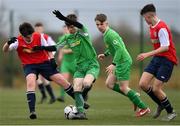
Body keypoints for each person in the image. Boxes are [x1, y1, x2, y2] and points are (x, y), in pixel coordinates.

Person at [35, 11, 100, 119]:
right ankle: (81, 113)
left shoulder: (83, 32)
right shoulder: (67, 38)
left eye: (72, 26)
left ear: (75, 25)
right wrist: (42, 48)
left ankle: (84, 95)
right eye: (68, 27)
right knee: (76, 88)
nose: (70, 29)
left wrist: (63, 18)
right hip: (79, 67)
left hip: (91, 65)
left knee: (86, 84)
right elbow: (55, 47)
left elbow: (79, 25)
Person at [2, 22, 74, 120]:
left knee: (62, 81)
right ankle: (32, 112)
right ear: (22, 36)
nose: (30, 38)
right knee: (31, 82)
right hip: (29, 66)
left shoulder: (39, 36)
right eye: (27, 37)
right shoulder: (17, 41)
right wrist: (8, 43)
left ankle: (81, 102)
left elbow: (48, 49)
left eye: (31, 35)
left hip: (44, 63)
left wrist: (52, 59)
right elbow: (5, 50)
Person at [95, 13, 150, 117]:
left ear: (106, 23)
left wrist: (113, 63)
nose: (99, 26)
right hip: (119, 61)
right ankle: (133, 96)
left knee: (124, 87)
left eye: (101, 24)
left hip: (123, 61)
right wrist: (105, 54)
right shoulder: (106, 34)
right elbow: (114, 48)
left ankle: (144, 108)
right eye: (97, 24)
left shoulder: (111, 34)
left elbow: (119, 49)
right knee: (109, 84)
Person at [137, 4, 177, 121]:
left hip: (167, 60)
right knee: (143, 84)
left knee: (156, 89)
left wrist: (146, 54)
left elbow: (165, 47)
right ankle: (161, 104)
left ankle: (171, 112)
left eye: (145, 18)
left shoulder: (162, 28)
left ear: (150, 16)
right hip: (157, 58)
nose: (144, 20)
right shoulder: (151, 26)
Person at [34, 22, 56, 104]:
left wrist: (50, 57)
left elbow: (54, 47)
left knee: (44, 79)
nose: (38, 30)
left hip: (44, 61)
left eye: (40, 28)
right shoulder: (33, 37)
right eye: (37, 28)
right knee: (38, 79)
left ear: (42, 29)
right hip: (35, 61)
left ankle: (51, 96)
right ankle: (45, 95)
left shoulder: (46, 37)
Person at [56, 25, 76, 103]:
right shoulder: (61, 38)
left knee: (77, 81)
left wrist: (66, 51)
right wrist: (60, 55)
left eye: (66, 30)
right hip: (65, 62)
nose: (65, 31)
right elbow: (61, 48)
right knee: (63, 80)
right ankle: (62, 96)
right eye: (64, 30)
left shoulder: (74, 38)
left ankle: (81, 94)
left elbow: (74, 49)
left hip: (74, 62)